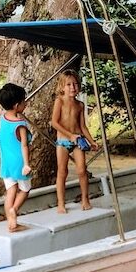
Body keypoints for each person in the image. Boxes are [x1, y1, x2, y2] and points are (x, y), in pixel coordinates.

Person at [50, 69, 97, 213]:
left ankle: (85, 198)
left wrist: (92, 141)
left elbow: (83, 126)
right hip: (63, 141)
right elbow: (54, 122)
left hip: (78, 141)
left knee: (82, 170)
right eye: (69, 84)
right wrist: (69, 135)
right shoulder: (59, 101)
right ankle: (61, 203)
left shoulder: (80, 105)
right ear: (62, 87)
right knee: (62, 171)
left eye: (75, 84)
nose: (72, 87)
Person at [0, 83, 32, 232]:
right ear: (17, 105)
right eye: (24, 101)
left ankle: (11, 223)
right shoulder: (20, 124)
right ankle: (14, 210)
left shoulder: (2, 119)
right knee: (25, 189)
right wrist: (26, 164)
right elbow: (24, 145)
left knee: (11, 191)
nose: (26, 103)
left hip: (6, 163)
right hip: (19, 163)